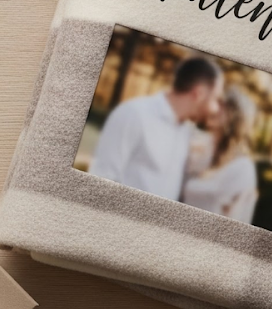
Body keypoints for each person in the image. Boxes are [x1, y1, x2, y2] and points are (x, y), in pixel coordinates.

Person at [88, 55, 221, 201]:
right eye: (215, 99)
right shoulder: (133, 114)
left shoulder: (186, 131)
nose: (215, 109)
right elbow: (101, 179)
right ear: (198, 94)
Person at [181, 86, 260, 223]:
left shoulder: (242, 168)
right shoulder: (200, 147)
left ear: (235, 116)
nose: (213, 108)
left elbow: (238, 222)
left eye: (221, 105)